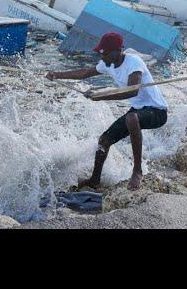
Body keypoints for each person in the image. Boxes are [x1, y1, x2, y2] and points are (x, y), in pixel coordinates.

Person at [46, 32, 168, 190]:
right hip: (138, 110)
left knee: (131, 118)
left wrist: (101, 96)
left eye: (105, 53)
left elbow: (132, 91)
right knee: (104, 141)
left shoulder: (134, 62)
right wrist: (57, 75)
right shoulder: (107, 64)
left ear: (118, 51)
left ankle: (137, 171)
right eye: (101, 53)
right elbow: (84, 73)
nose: (102, 57)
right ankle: (95, 179)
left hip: (157, 112)